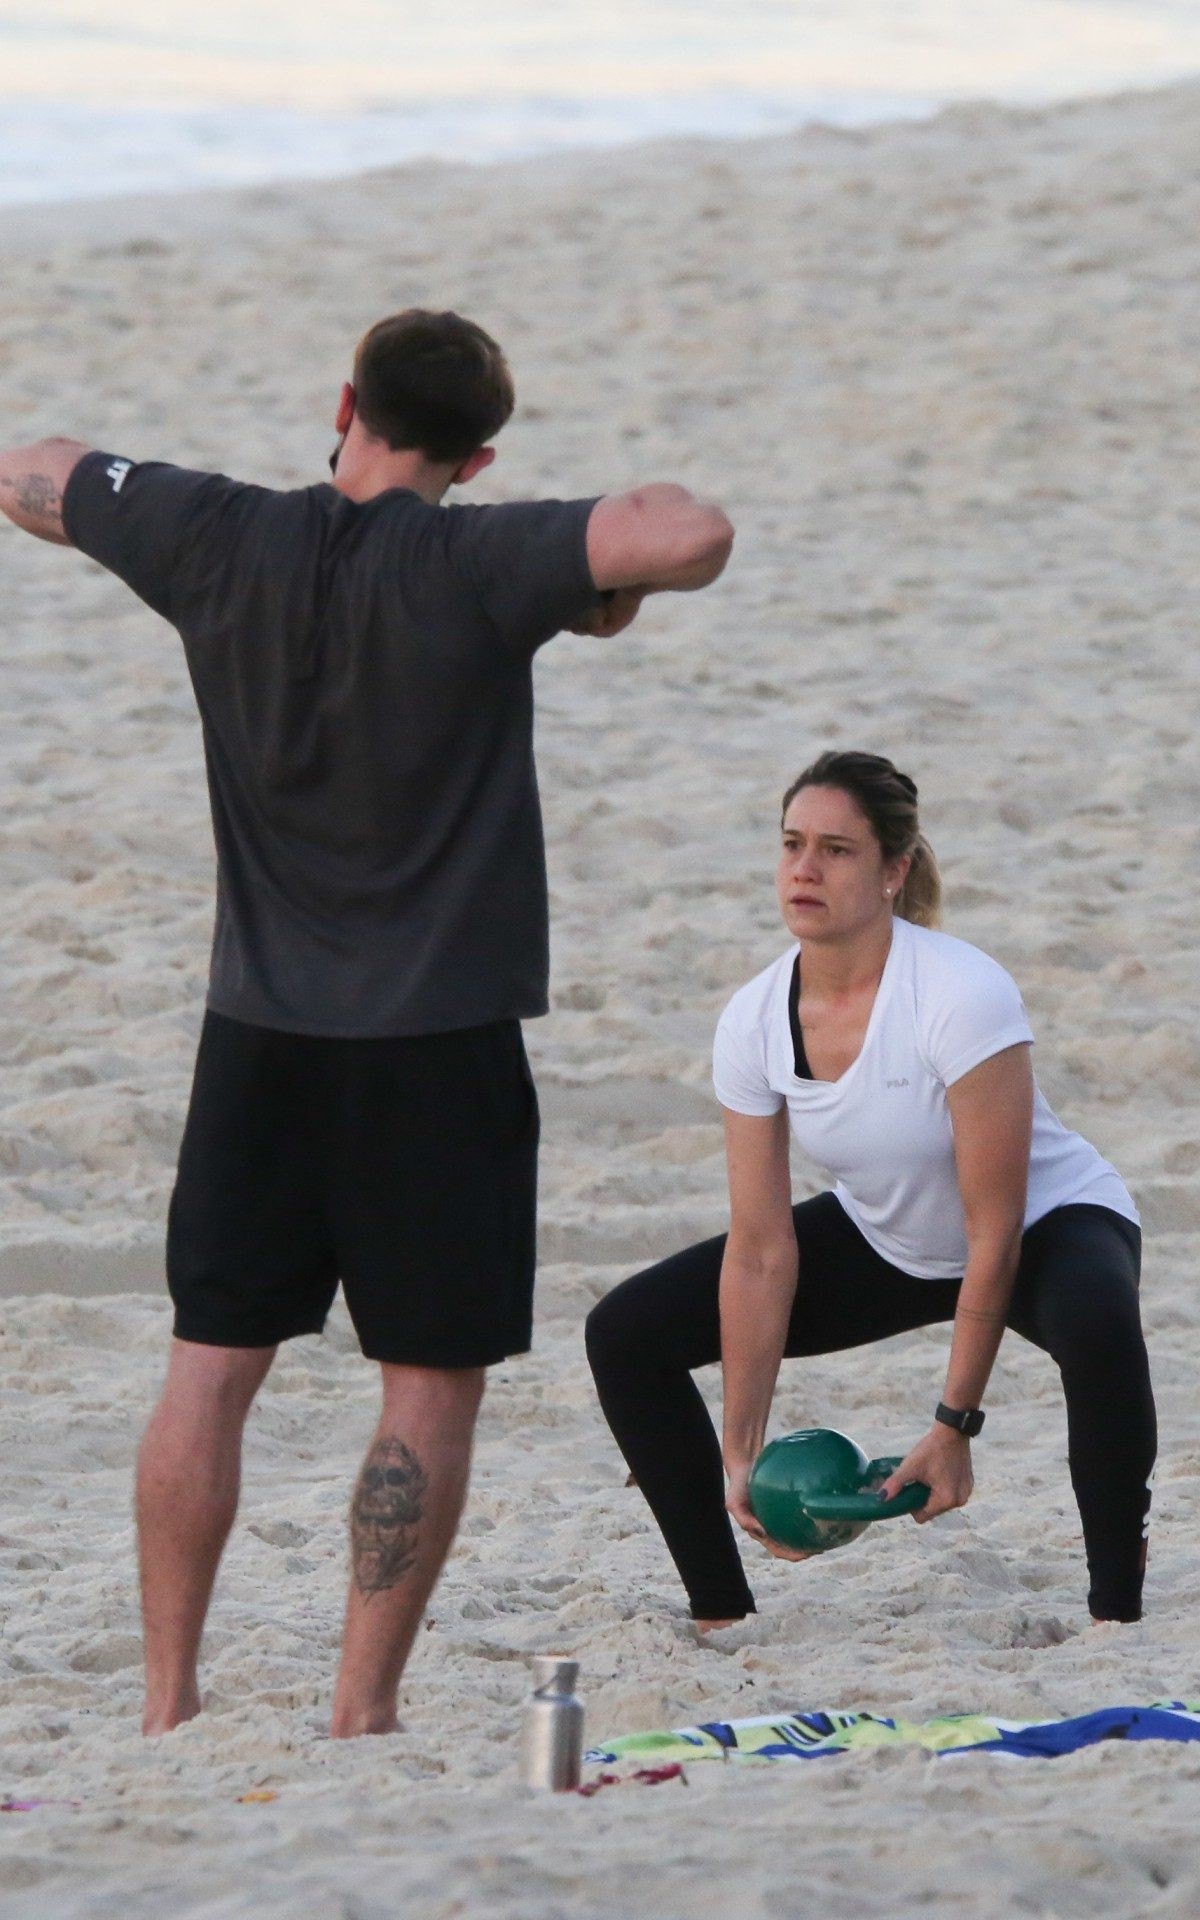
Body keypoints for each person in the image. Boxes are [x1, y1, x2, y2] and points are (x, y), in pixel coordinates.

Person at [0, 308, 734, 1736]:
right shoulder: (473, 558)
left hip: (256, 1031)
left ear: (345, 401)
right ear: (477, 454)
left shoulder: (216, 535)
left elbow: (33, 470)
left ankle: (166, 1704)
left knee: (210, 1366)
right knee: (425, 1388)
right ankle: (357, 1710)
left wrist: (101, 514)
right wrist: (567, 571)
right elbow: (684, 530)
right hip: (436, 1048)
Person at [586, 751, 1156, 1629]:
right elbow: (761, 1248)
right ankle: (721, 1611)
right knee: (625, 1333)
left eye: (837, 850)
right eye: (791, 845)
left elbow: (994, 1230)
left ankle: (1117, 1613)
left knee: (1099, 1323)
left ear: (894, 871)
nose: (804, 869)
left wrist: (952, 1426)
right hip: (889, 1238)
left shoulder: (961, 992)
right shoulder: (753, 1018)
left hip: (1043, 1226)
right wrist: (742, 1449)